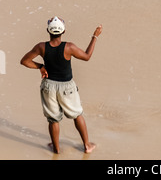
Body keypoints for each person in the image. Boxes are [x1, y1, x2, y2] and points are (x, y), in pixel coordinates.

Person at [20, 16, 102, 154]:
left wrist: (40, 66)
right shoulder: (69, 47)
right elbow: (87, 56)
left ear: (48, 31)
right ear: (63, 32)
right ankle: (87, 146)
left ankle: (56, 149)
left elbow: (24, 61)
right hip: (67, 87)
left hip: (48, 86)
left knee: (53, 119)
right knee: (77, 115)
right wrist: (95, 36)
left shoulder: (41, 47)